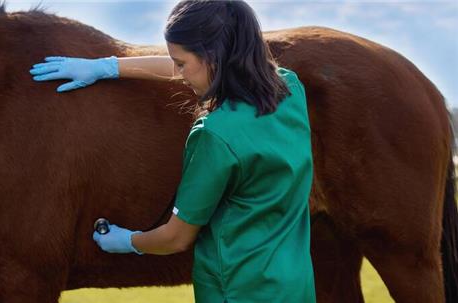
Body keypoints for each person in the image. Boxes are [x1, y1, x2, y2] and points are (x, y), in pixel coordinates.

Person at [29, 1, 315, 302]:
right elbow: (197, 65)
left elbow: (176, 238)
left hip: (236, 292)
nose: (179, 73)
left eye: (180, 64)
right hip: (293, 286)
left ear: (214, 58)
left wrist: (128, 241)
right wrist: (109, 66)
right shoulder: (290, 89)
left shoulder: (214, 135)